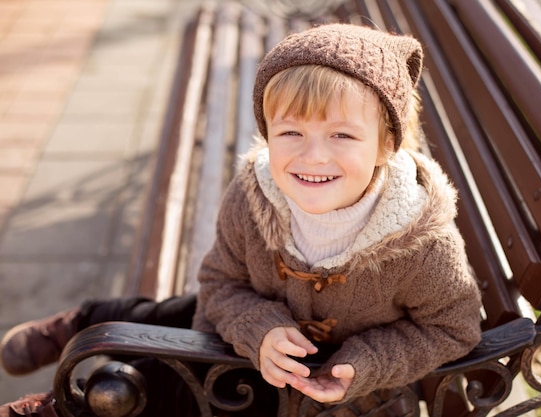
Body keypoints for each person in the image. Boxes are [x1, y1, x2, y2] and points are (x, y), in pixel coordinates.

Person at [0, 23, 482, 417]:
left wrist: (367, 362)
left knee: (181, 379)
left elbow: (453, 327)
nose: (313, 156)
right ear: (267, 134)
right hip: (258, 324)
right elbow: (220, 282)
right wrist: (261, 328)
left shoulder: (421, 242)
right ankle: (81, 322)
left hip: (306, 386)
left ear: (385, 146)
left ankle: (76, 405)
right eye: (290, 131)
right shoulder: (255, 196)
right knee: (170, 314)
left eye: (341, 135)